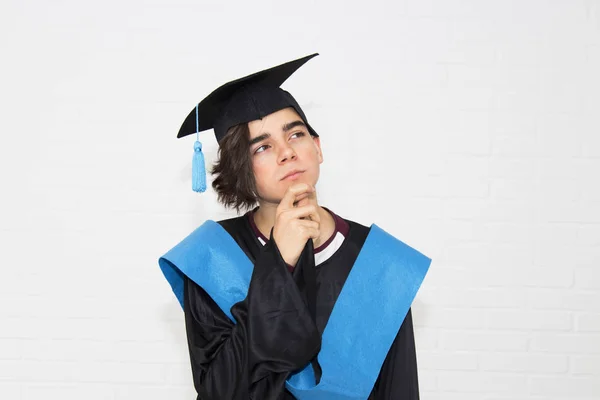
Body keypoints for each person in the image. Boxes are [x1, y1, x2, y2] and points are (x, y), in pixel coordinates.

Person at [159, 53, 431, 400]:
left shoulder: (378, 261)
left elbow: (399, 387)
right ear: (240, 169)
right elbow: (220, 392)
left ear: (317, 147)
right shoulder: (210, 257)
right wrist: (280, 264)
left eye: (297, 134)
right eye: (262, 147)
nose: (286, 153)